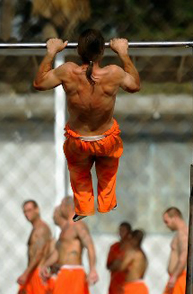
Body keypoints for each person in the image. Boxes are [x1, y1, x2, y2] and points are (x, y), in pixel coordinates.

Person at [33, 29, 140, 221]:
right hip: (106, 140)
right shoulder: (113, 73)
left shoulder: (68, 71)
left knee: (79, 173)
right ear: (102, 51)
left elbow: (39, 83)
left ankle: (83, 208)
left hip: (79, 141)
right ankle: (107, 203)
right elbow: (134, 86)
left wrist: (51, 52)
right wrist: (123, 54)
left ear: (78, 51)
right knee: (107, 170)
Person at [106, 222, 132, 294]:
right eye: (120, 230)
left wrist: (119, 264)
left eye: (123, 230)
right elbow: (109, 265)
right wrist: (119, 264)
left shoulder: (132, 248)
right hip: (115, 284)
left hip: (127, 284)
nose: (121, 233)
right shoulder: (114, 247)